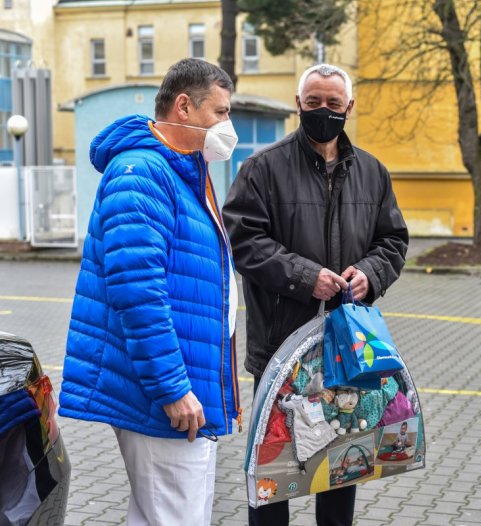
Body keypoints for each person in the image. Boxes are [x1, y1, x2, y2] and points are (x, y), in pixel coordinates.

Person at [222, 63, 408, 526]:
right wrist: (307, 277)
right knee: (274, 473)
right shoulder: (261, 168)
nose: (323, 111)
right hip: (280, 348)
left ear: (349, 107)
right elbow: (243, 240)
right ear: (297, 105)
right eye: (313, 102)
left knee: (342, 467)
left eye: (332, 103)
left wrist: (370, 274)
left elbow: (394, 241)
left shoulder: (372, 171)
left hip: (346, 348)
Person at [59, 58, 241, 525]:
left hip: (184, 386)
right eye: (220, 112)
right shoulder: (142, 173)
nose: (228, 125)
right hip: (163, 394)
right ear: (184, 107)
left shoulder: (181, 172)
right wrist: (172, 387)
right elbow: (137, 292)